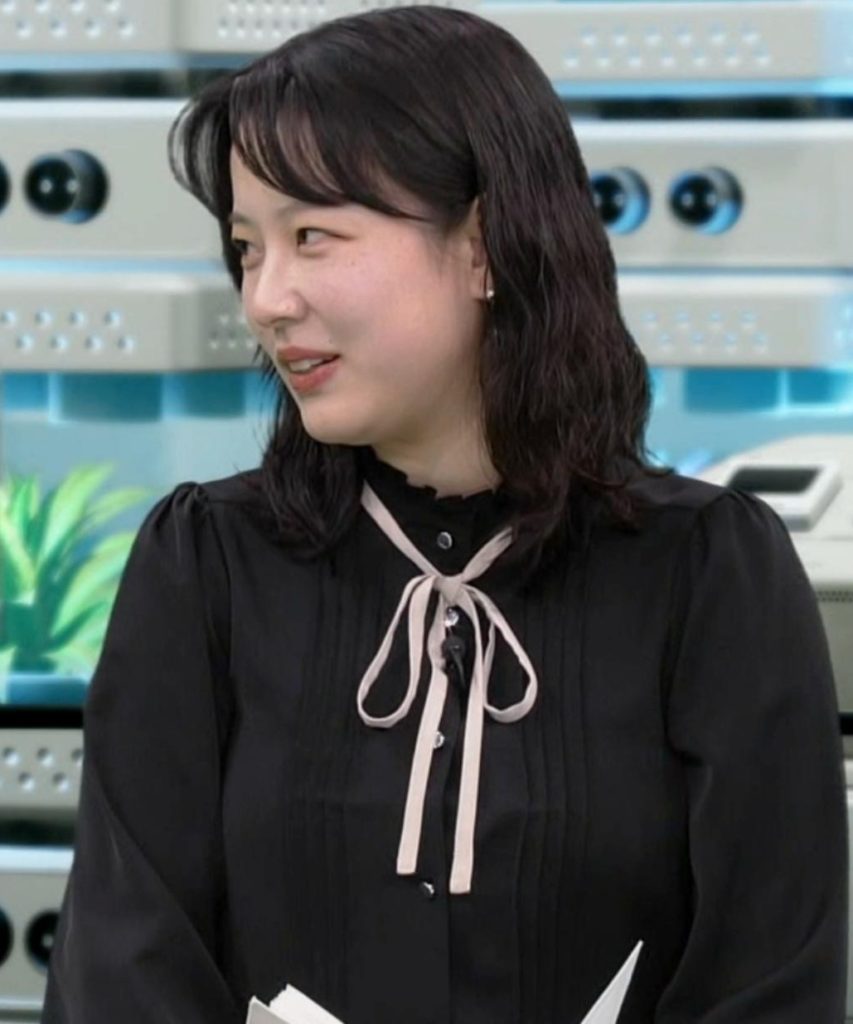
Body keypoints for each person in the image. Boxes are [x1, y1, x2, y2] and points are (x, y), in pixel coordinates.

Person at [41, 6, 847, 1022]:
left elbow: (774, 980)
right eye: (247, 248)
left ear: (482, 246)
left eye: (313, 236)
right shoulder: (205, 563)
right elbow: (124, 967)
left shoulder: (707, 570)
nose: (267, 298)